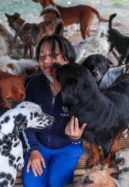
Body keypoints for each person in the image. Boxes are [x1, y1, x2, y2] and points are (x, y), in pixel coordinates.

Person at [21, 35, 87, 187]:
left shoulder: (81, 86)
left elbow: (92, 122)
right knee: (32, 184)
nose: (46, 60)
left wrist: (77, 138)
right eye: (41, 56)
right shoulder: (34, 84)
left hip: (68, 146)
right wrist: (32, 149)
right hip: (39, 143)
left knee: (57, 183)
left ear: (67, 58)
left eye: (53, 55)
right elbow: (25, 121)